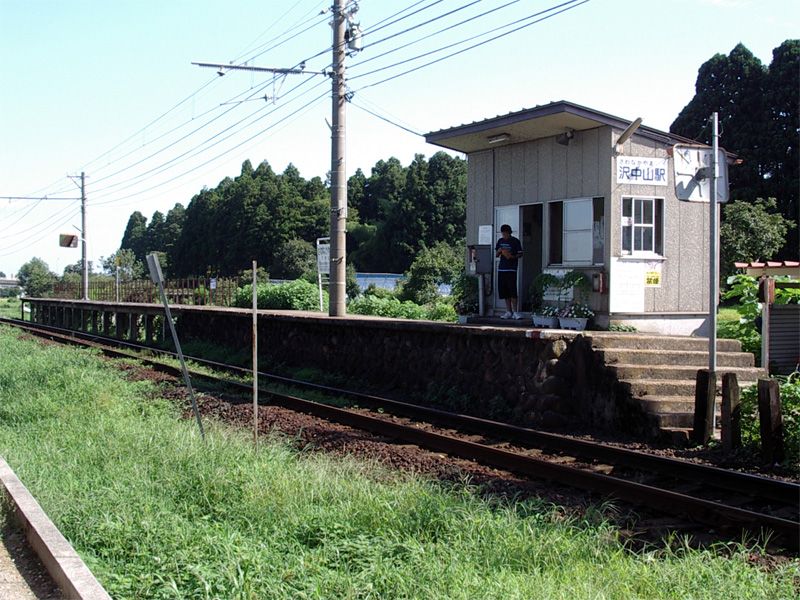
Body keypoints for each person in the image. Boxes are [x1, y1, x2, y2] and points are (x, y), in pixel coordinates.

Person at [495, 224, 523, 319]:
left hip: (511, 268)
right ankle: (508, 311)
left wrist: (512, 256)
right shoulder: (500, 241)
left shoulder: (515, 241)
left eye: (505, 233)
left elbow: (520, 254)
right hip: (502, 268)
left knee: (512, 290)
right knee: (504, 291)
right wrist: (499, 251)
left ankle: (515, 311)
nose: (504, 235)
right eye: (503, 233)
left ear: (509, 232)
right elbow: (496, 255)